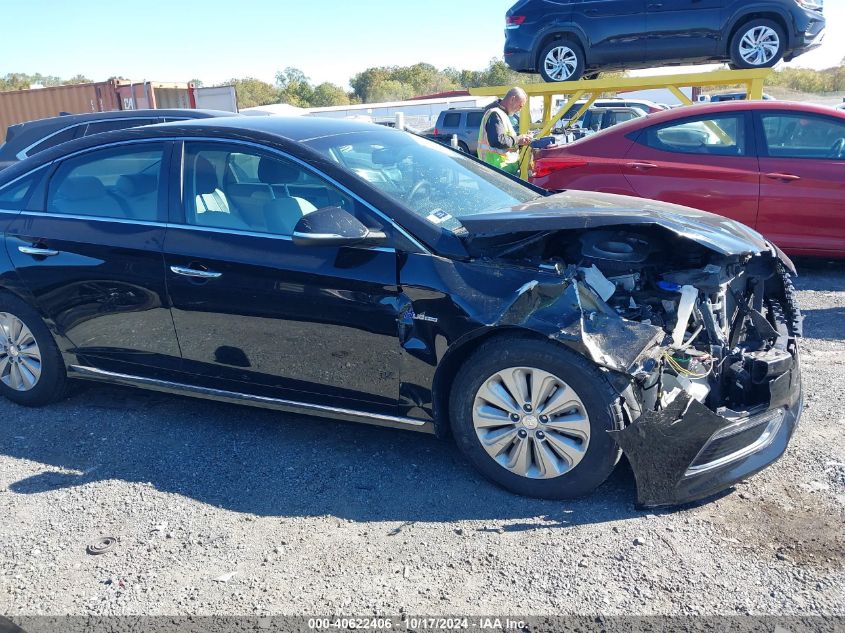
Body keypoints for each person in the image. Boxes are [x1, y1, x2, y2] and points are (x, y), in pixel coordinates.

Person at [477, 87, 533, 175]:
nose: (520, 109)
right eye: (520, 105)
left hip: (500, 170)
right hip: (496, 171)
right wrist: (518, 139)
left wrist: (520, 141)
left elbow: (505, 140)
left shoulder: (501, 114)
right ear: (512, 99)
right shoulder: (495, 114)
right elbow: (497, 140)